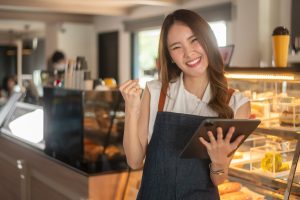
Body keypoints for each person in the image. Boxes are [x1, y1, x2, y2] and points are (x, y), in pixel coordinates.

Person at [119, 9, 250, 200]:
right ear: (170, 55)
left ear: (208, 40)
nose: (189, 53)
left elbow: (219, 181)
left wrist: (219, 163)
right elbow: (134, 160)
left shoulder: (235, 104)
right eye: (176, 47)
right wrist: (131, 110)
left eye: (194, 39)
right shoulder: (156, 92)